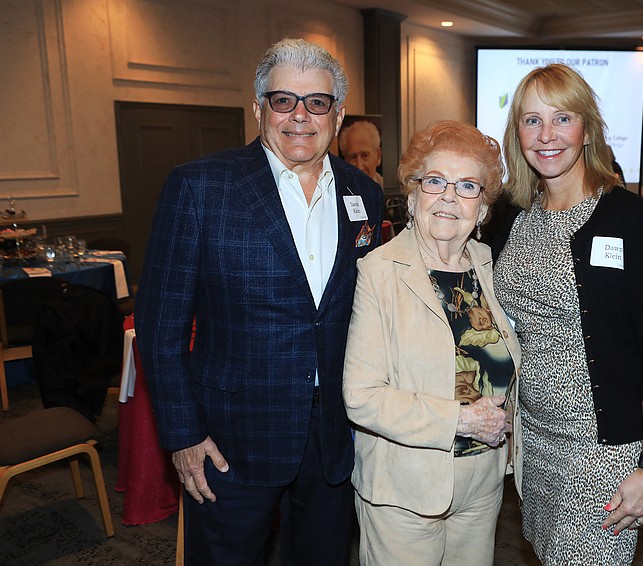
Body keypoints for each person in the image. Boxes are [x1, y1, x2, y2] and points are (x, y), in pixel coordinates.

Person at [134, 38, 384, 565]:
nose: (300, 116)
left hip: (333, 436)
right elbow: (160, 330)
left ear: (337, 115)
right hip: (229, 439)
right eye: (283, 100)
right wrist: (183, 435)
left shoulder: (364, 192)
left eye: (316, 102)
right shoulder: (199, 187)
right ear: (258, 108)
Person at [493, 64, 643, 565]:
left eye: (562, 118)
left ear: (587, 128)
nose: (547, 135)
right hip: (531, 442)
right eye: (532, 120)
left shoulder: (632, 221)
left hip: (603, 453)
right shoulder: (512, 217)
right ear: (517, 132)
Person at [343, 120, 521, 565]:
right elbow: (362, 398)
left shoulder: (487, 266)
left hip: (482, 483)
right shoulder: (379, 272)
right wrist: (460, 420)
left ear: (482, 208)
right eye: (435, 181)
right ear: (414, 193)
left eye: (466, 186)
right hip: (404, 487)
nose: (448, 196)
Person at [339, 120, 383, 187]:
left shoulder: (384, 189)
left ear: (378, 156)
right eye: (353, 157)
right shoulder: (337, 191)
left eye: (365, 155)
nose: (359, 166)